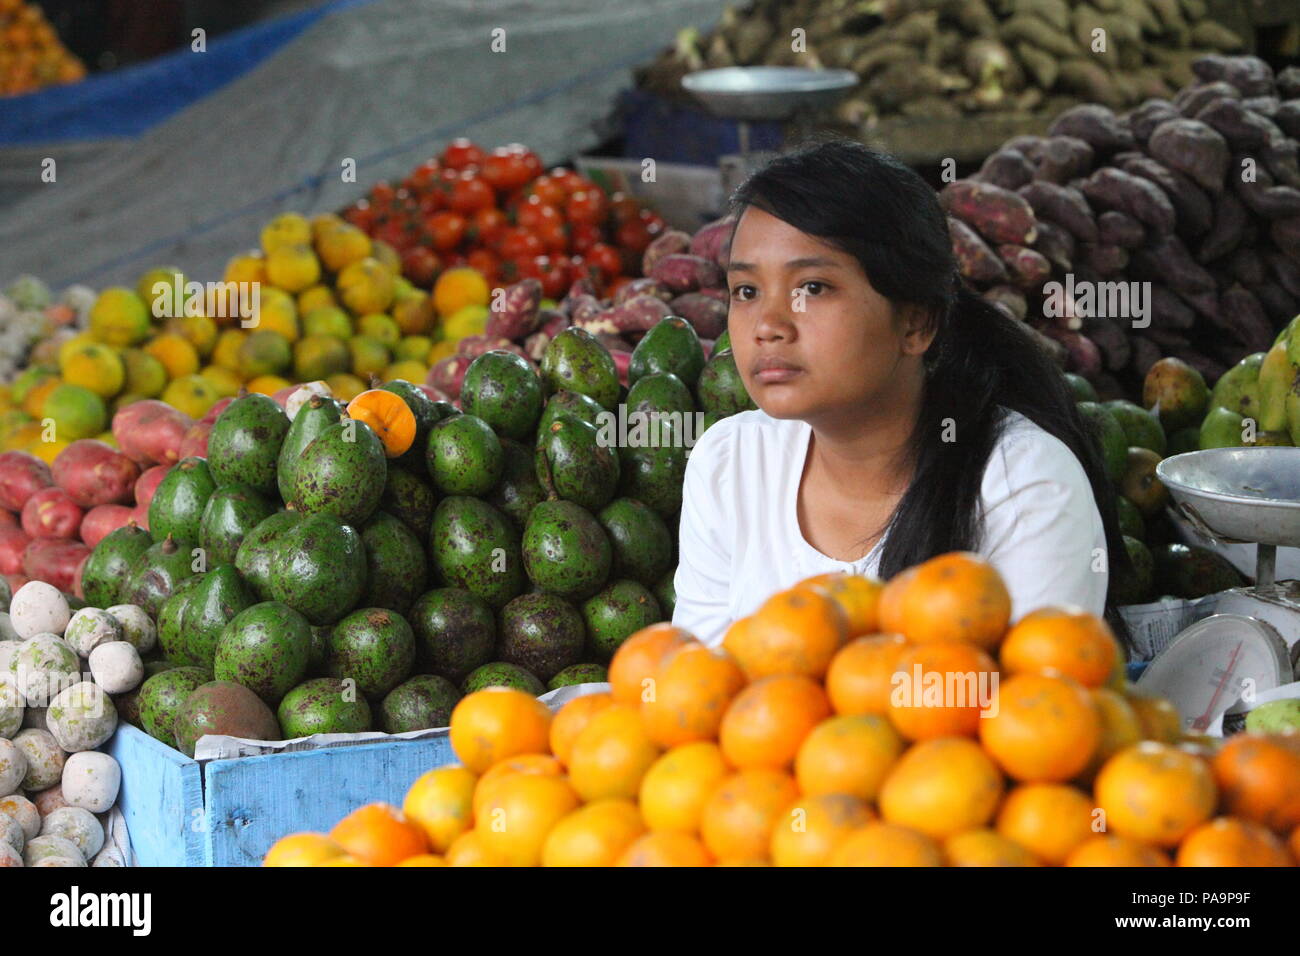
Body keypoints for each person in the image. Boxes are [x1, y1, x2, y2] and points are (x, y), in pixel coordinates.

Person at [672, 139, 1127, 647]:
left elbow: (1031, 707)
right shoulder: (728, 461)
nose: (768, 326)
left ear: (916, 323)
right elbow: (700, 693)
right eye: (747, 292)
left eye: (813, 288)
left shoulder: (1024, 483)